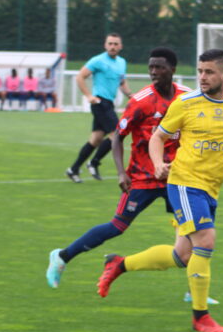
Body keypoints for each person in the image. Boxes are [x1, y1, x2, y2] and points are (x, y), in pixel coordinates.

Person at [95, 49, 223, 332]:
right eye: (200, 71)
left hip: (212, 187)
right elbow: (157, 137)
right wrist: (159, 162)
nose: (202, 77)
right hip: (185, 182)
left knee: (183, 256)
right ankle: (201, 317)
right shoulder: (185, 104)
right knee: (206, 241)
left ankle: (119, 264)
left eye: (209, 72)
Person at [46, 48, 191, 288]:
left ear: (173, 70)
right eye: (151, 67)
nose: (153, 72)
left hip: (176, 177)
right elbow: (117, 137)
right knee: (117, 226)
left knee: (194, 230)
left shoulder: (186, 97)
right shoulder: (141, 101)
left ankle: (195, 290)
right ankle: (61, 257)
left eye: (160, 67)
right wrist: (121, 172)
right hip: (143, 178)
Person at [66, 33, 132, 183]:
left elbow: (121, 82)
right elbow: (80, 76)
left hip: (109, 103)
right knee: (116, 135)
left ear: (120, 46)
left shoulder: (122, 62)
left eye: (116, 44)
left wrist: (130, 95)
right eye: (110, 43)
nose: (112, 47)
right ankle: (94, 163)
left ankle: (73, 169)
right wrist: (89, 96)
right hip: (100, 103)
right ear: (105, 45)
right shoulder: (98, 60)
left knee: (96, 139)